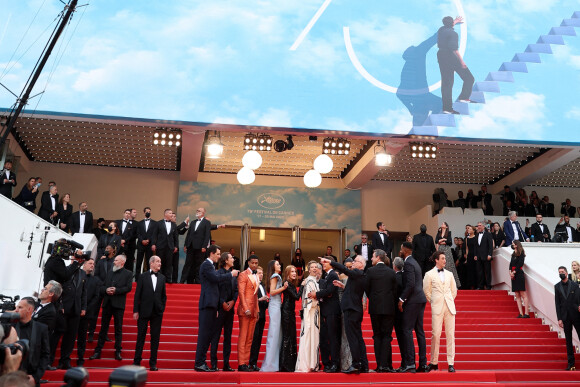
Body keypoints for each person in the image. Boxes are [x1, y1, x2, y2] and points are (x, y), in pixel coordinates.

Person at [194, 245, 239, 372]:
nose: (219, 256)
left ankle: (201, 362)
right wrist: (231, 274)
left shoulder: (210, 266)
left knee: (207, 335)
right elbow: (215, 278)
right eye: (218, 254)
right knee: (204, 335)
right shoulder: (207, 265)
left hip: (212, 304)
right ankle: (199, 363)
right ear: (212, 253)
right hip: (207, 303)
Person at [324, 256, 367, 374]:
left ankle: (356, 364)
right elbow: (354, 291)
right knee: (357, 337)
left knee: (352, 337)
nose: (352, 263)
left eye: (355, 261)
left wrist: (331, 262)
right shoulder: (359, 275)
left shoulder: (357, 273)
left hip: (351, 309)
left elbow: (344, 269)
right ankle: (364, 364)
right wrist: (343, 286)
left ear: (361, 265)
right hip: (355, 309)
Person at [89, 255, 133, 361]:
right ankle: (98, 351)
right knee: (103, 328)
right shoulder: (110, 272)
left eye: (116, 260)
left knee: (118, 329)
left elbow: (128, 288)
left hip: (118, 305)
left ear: (122, 262)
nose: (114, 262)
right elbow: (102, 286)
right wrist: (106, 290)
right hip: (107, 303)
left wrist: (116, 290)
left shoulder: (128, 274)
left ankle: (118, 351)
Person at [423, 251, 458, 373]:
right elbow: (426, 291)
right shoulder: (429, 274)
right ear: (436, 260)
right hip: (437, 306)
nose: (445, 260)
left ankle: (451, 363)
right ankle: (434, 362)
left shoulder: (449, 274)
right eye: (442, 258)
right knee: (435, 334)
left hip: (449, 306)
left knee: (450, 335)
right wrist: (434, 301)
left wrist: (448, 300)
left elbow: (454, 291)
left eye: (445, 258)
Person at [397, 242, 428, 373]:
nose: (400, 250)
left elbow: (410, 284)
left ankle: (410, 363)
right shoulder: (415, 262)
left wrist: (401, 299)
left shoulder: (408, 263)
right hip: (420, 299)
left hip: (413, 300)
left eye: (400, 248)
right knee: (419, 331)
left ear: (405, 250)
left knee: (406, 330)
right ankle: (423, 364)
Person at [365, 249, 397, 373]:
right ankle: (386, 365)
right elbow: (395, 290)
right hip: (389, 308)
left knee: (377, 336)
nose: (371, 259)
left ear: (378, 257)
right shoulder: (391, 272)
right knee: (387, 336)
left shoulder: (370, 271)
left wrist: (373, 298)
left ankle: (379, 365)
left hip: (375, 308)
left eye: (373, 256)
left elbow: (367, 289)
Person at [133, 255, 167, 371]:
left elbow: (164, 296)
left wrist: (162, 308)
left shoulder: (162, 278)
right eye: (158, 261)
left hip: (157, 312)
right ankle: (137, 362)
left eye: (160, 261)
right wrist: (136, 310)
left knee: (155, 339)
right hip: (143, 311)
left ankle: (153, 363)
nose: (160, 264)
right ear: (151, 263)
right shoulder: (142, 277)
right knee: (140, 337)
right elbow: (137, 294)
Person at [437, 13, 475, 116]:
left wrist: (455, 21)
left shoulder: (441, 30)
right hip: (450, 56)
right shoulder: (453, 34)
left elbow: (449, 25)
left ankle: (447, 109)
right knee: (469, 78)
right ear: (451, 24)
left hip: (441, 56)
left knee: (446, 83)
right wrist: (462, 62)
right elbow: (454, 50)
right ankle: (464, 97)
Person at [54, 258, 87, 370]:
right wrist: (60, 305)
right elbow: (58, 290)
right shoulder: (65, 270)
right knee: (58, 335)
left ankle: (65, 360)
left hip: (76, 309)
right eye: (76, 259)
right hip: (63, 309)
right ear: (72, 259)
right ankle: (51, 360)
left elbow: (83, 292)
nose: (79, 261)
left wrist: (83, 307)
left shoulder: (83, 273)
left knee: (71, 337)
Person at [311, 254, 341, 373]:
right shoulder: (328, 275)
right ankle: (331, 363)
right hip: (326, 310)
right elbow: (327, 292)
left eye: (325, 262)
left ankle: (335, 363)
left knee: (333, 338)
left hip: (332, 311)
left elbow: (330, 291)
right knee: (328, 338)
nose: (323, 264)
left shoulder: (333, 274)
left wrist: (317, 294)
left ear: (331, 264)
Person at [210, 252, 238, 372]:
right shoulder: (218, 274)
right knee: (215, 336)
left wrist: (233, 301)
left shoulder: (234, 275)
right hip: (220, 308)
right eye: (231, 258)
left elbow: (236, 290)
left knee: (228, 337)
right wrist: (222, 302)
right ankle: (213, 364)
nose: (233, 259)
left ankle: (226, 364)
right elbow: (216, 290)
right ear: (226, 260)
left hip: (230, 309)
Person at [13, 297, 50, 385]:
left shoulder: (41, 328)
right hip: (12, 378)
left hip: (31, 378)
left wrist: (36, 377)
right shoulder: (11, 327)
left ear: (29, 309)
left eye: (20, 307)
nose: (16, 310)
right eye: (16, 307)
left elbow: (45, 354)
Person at [295, 261, 320, 372]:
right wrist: (317, 300)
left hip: (314, 313)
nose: (314, 269)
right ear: (308, 270)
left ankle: (312, 363)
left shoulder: (314, 281)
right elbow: (307, 299)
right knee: (309, 337)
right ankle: (308, 364)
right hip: (310, 313)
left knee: (313, 338)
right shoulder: (309, 281)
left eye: (316, 267)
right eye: (312, 267)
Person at [236, 255, 259, 372]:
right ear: (248, 263)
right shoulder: (243, 274)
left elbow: (255, 295)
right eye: (252, 263)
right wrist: (246, 308)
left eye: (256, 263)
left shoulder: (256, 276)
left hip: (254, 310)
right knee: (243, 337)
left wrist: (257, 310)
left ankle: (245, 362)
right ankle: (241, 363)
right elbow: (241, 293)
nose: (254, 265)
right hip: (246, 310)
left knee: (250, 338)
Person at [76, 259, 101, 366]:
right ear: (84, 264)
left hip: (86, 313)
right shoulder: (76, 275)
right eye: (90, 263)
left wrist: (85, 308)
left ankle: (80, 358)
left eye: (93, 264)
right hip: (74, 311)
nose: (92, 265)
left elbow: (96, 297)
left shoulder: (96, 280)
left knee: (82, 337)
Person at [554, 266, 580, 371]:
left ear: (566, 272)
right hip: (565, 317)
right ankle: (571, 364)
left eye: (562, 272)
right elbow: (557, 303)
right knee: (568, 341)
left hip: (577, 315)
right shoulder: (557, 286)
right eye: (559, 272)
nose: (561, 273)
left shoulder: (575, 285)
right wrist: (559, 318)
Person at [260, 260, 284, 372]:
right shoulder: (275, 276)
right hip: (274, 305)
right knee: (274, 334)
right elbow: (273, 292)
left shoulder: (276, 276)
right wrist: (284, 288)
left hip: (276, 305)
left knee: (276, 334)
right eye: (277, 264)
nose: (280, 266)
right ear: (273, 267)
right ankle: (269, 364)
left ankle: (273, 363)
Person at [182, 207, 212, 284]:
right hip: (190, 246)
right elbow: (188, 234)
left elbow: (207, 235)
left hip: (200, 247)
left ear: (203, 213)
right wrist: (185, 245)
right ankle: (182, 280)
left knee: (199, 264)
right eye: (197, 210)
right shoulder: (192, 222)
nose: (197, 211)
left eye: (199, 210)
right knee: (188, 263)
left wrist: (204, 246)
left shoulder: (207, 222)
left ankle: (198, 281)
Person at [279, 265, 300, 372]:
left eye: (295, 271)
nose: (294, 273)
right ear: (287, 273)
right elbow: (296, 297)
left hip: (290, 312)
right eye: (292, 271)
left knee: (291, 337)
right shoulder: (286, 284)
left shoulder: (291, 284)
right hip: (286, 312)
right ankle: (284, 364)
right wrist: (303, 287)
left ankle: (289, 364)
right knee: (287, 337)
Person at [249, 266, 268, 371]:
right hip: (255, 315)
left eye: (262, 273)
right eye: (259, 273)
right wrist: (260, 299)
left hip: (262, 316)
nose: (261, 275)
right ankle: (250, 362)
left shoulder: (263, 286)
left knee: (259, 339)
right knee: (254, 339)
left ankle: (254, 363)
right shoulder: (252, 285)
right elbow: (250, 299)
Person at [152, 209, 178, 283]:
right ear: (165, 214)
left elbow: (175, 237)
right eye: (170, 213)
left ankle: (168, 279)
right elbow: (154, 235)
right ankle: (159, 278)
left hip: (170, 247)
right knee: (159, 262)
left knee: (169, 263)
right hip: (160, 246)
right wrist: (153, 244)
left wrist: (176, 246)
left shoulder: (174, 225)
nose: (171, 215)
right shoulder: (158, 223)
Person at [435, 222, 460, 288]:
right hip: (440, 249)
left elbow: (449, 242)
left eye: (443, 224)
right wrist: (443, 240)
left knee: (449, 265)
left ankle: (453, 284)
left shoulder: (449, 232)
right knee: (441, 265)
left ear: (446, 226)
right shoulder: (439, 232)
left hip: (447, 250)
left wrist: (441, 241)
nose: (442, 224)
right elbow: (436, 241)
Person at [508, 240, 529, 318]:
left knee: (522, 293)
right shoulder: (513, 254)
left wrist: (514, 272)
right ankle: (521, 313)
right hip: (513, 275)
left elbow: (520, 263)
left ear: (516, 245)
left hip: (519, 274)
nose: (512, 245)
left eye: (513, 244)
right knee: (517, 294)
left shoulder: (521, 254)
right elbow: (510, 264)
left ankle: (526, 313)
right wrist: (510, 272)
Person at [392, 257, 406, 370]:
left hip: (398, 311)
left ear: (395, 266)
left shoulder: (397, 278)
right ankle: (405, 362)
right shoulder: (404, 276)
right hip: (404, 311)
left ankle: (405, 362)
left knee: (402, 338)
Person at [135, 207, 158, 277]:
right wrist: (142, 240)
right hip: (141, 245)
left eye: (149, 211)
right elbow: (138, 233)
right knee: (139, 262)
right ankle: (137, 277)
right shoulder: (139, 223)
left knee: (149, 262)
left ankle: (148, 277)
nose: (148, 212)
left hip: (149, 245)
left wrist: (149, 240)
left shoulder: (155, 223)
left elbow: (154, 234)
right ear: (144, 213)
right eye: (147, 211)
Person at [474, 221, 494, 290]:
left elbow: (490, 245)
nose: (478, 227)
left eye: (479, 225)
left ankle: (488, 286)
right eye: (478, 225)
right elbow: (476, 246)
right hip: (478, 256)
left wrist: (490, 254)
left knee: (487, 271)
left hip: (486, 256)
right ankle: (480, 286)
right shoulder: (476, 235)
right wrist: (475, 255)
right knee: (479, 272)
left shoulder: (488, 234)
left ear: (483, 226)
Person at [464, 225, 477, 289]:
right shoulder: (467, 238)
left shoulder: (476, 237)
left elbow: (476, 247)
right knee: (469, 270)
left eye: (470, 229)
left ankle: (475, 284)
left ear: (473, 231)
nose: (468, 230)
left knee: (475, 270)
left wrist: (476, 255)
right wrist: (466, 257)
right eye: (468, 229)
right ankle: (470, 285)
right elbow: (467, 248)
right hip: (469, 256)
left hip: (475, 255)